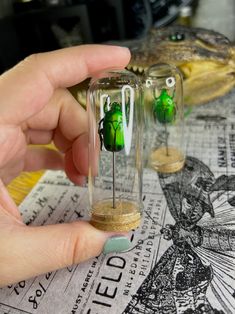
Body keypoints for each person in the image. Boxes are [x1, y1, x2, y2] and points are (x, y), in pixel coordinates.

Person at [0, 45, 131, 287]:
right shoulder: (117, 115)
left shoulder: (114, 117)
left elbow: (103, 127)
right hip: (114, 140)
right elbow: (104, 127)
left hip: (113, 139)